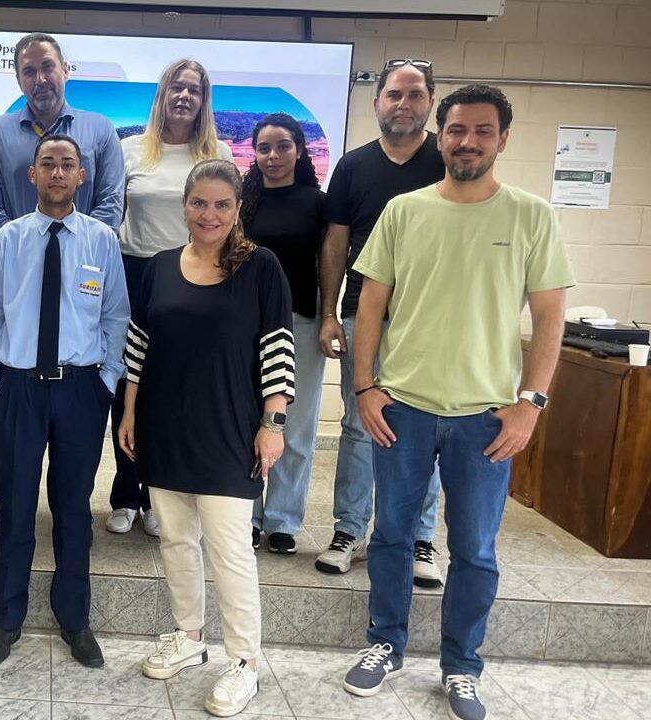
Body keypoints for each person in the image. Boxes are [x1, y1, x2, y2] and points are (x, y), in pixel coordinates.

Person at [340, 84, 572, 720]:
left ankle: (461, 667)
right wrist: (366, 387)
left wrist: (531, 403)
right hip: (404, 409)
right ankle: (384, 644)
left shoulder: (531, 215)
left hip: (486, 418)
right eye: (457, 130)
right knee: (389, 536)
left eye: (482, 131)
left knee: (473, 549)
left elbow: (551, 317)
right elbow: (371, 306)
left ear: (503, 139)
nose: (468, 141)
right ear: (440, 136)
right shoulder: (405, 211)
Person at [118, 158, 293, 716]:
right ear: (184, 206)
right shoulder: (161, 267)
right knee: (174, 540)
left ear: (238, 208)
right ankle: (190, 638)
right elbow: (137, 348)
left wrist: (273, 424)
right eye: (199, 203)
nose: (209, 214)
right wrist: (128, 413)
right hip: (165, 428)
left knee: (231, 552)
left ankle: (245, 663)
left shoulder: (261, 268)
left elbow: (278, 352)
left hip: (230, 433)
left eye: (222, 204)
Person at [0, 134, 129, 669]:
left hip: (81, 390)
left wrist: (105, 383)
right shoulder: (11, 238)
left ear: (82, 177)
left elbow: (115, 316)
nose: (58, 172)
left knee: (73, 508)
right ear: (32, 175)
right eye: (48, 164)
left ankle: (74, 618)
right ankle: (7, 618)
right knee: (14, 506)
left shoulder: (102, 240)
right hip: (17, 388)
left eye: (68, 164)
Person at [0, 32, 124, 542]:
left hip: (82, 269)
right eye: (29, 71)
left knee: (69, 477)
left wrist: (79, 241)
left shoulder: (100, 131)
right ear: (17, 77)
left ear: (65, 69)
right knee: (12, 422)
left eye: (48, 67)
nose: (40, 78)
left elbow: (110, 200)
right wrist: (23, 247)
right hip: (18, 273)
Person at [317, 59, 447, 587]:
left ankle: (420, 538)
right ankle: (348, 530)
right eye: (394, 94)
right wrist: (330, 313)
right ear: (377, 103)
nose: (404, 104)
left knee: (427, 427)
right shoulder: (352, 166)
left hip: (429, 321)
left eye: (415, 95)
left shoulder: (446, 159)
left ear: (430, 102)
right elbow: (335, 243)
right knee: (357, 424)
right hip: (360, 314)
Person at [106, 58, 233, 538]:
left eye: (194, 90)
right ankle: (124, 493)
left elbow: (225, 222)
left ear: (204, 101)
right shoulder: (130, 150)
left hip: (194, 275)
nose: (184, 96)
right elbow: (111, 214)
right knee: (130, 385)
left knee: (175, 389)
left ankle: (161, 495)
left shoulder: (215, 152)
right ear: (162, 95)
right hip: (135, 272)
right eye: (177, 88)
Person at [240, 113, 327, 554]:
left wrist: (329, 317)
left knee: (295, 425)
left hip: (302, 323)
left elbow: (326, 266)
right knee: (251, 421)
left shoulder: (318, 203)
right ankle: (249, 516)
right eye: (264, 148)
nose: (273, 156)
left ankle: (283, 521)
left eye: (282, 146)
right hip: (250, 324)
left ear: (299, 149)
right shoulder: (243, 203)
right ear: (254, 154)